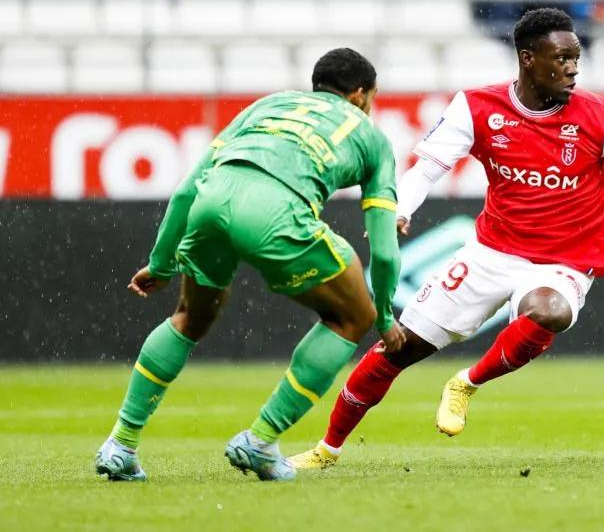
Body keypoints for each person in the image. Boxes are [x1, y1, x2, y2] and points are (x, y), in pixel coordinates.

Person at [288, 9, 604, 470]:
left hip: (563, 262)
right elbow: (426, 168)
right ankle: (326, 451)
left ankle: (466, 383)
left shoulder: (598, 117)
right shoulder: (476, 107)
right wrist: (399, 210)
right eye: (561, 57)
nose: (573, 68)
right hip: (490, 252)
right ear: (527, 59)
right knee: (397, 346)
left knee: (549, 311)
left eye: (576, 58)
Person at [95, 48, 403, 483]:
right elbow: (386, 252)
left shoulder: (270, 104)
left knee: (188, 317)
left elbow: (186, 189)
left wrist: (160, 264)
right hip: (276, 215)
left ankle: (121, 444)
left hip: (211, 203)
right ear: (359, 96)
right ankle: (260, 441)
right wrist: (386, 316)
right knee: (352, 316)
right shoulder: (371, 137)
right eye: (372, 97)